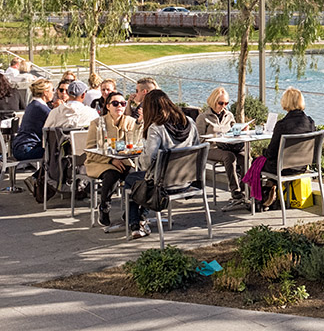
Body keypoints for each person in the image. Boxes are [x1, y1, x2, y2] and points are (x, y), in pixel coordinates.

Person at [124, 89, 200, 239]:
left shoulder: (156, 128)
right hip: (186, 181)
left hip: (162, 186)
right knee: (143, 181)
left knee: (131, 180)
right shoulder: (189, 123)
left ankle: (134, 222)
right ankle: (139, 219)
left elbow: (147, 161)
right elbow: (196, 148)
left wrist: (136, 160)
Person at [85, 91, 138, 227]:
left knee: (135, 177)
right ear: (108, 106)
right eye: (115, 103)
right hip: (100, 162)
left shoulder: (130, 122)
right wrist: (110, 160)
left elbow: (134, 144)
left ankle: (131, 212)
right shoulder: (97, 123)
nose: (119, 106)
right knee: (112, 174)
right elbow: (90, 151)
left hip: (124, 160)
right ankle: (104, 207)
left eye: (122, 103)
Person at [259, 87, 315, 207]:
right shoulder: (310, 122)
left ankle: (260, 199)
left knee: (256, 163)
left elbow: (272, 152)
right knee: (272, 163)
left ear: (285, 103)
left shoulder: (281, 125)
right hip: (302, 167)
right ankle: (270, 188)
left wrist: (263, 153)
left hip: (284, 168)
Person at [196, 87, 246, 211]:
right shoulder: (203, 118)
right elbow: (199, 140)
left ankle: (247, 190)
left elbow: (234, 131)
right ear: (213, 101)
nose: (223, 106)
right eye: (221, 103)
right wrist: (215, 138)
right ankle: (236, 192)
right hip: (210, 148)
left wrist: (241, 130)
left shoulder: (229, 115)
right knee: (229, 157)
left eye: (226, 103)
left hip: (228, 146)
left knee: (245, 156)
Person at [10, 79, 53, 161]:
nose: (53, 93)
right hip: (28, 149)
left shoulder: (33, 104)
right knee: (58, 151)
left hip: (20, 147)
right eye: (52, 90)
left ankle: (39, 174)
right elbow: (55, 120)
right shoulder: (41, 108)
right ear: (45, 92)